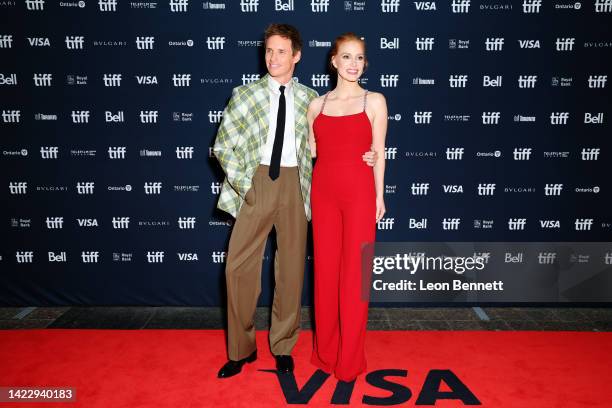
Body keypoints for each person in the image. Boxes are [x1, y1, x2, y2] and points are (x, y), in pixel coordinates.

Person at [213, 24, 376, 379]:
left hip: (298, 185)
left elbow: (328, 145)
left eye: (281, 51)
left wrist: (366, 156)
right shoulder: (245, 94)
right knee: (237, 269)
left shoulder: (310, 100)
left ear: (296, 56)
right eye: (269, 51)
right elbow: (222, 146)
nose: (273, 57)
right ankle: (241, 350)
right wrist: (248, 186)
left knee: (289, 272)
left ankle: (283, 346)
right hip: (255, 181)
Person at [307, 33, 387, 383]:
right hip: (322, 194)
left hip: (359, 194)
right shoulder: (316, 105)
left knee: (356, 277)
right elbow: (309, 155)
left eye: (359, 58)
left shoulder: (375, 101)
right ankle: (325, 354)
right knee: (325, 273)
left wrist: (380, 196)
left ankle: (350, 361)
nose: (353, 64)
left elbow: (379, 153)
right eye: (346, 57)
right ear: (334, 61)